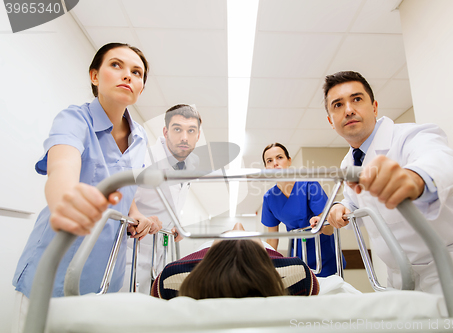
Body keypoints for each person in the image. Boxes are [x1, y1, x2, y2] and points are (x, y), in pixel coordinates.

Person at [316, 70, 453, 319]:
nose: (348, 110)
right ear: (331, 120)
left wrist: (412, 179)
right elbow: (353, 199)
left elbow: (443, 164)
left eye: (357, 99)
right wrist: (338, 207)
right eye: (337, 105)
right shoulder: (348, 162)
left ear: (374, 106)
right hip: (400, 282)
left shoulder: (413, 136)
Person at [12, 43, 160, 332]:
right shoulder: (74, 119)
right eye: (116, 65)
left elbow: (124, 183)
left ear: (141, 88)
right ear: (94, 75)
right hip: (53, 272)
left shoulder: (140, 137)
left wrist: (137, 213)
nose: (127, 75)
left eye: (136, 72)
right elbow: (62, 167)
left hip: (105, 277)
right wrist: (67, 200)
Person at [122, 104, 202, 294]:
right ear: (165, 132)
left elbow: (171, 199)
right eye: (177, 129)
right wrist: (139, 215)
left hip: (160, 253)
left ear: (198, 136)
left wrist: (176, 224)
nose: (184, 137)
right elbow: (118, 194)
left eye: (191, 131)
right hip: (131, 252)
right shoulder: (144, 157)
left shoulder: (191, 165)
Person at [151, 223, 319, 300]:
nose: (238, 226)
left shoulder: (175, 275)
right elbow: (312, 286)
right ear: (263, 253)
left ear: (210, 255)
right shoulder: (296, 274)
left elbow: (157, 290)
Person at [260, 143, 344, 278]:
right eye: (269, 161)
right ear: (266, 167)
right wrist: (264, 265)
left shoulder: (308, 184)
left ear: (289, 160)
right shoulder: (269, 198)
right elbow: (272, 239)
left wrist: (319, 224)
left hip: (322, 250)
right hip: (297, 253)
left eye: (279, 157)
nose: (275, 163)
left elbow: (329, 228)